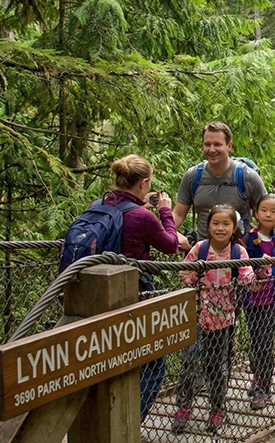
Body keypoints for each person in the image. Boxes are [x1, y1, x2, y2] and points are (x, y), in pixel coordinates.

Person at [101, 155, 185, 423]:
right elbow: (171, 244)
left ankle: (111, 423)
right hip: (133, 297)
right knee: (153, 365)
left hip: (100, 297)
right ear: (144, 183)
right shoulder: (141, 216)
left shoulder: (99, 206)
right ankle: (128, 425)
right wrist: (165, 211)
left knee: (110, 363)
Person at [172, 205, 255, 434]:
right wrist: (194, 275)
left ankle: (217, 409)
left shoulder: (238, 253)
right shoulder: (200, 249)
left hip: (223, 319)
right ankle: (184, 407)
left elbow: (247, 275)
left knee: (216, 367)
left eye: (226, 224)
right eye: (215, 223)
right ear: (208, 226)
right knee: (189, 362)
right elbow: (183, 274)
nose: (220, 228)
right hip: (197, 316)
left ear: (234, 228)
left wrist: (258, 276)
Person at [173, 122, 268, 245]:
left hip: (240, 256)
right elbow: (179, 214)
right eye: (207, 144)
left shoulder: (247, 177)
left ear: (229, 145)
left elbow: (265, 216)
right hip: (203, 255)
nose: (212, 150)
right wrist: (163, 234)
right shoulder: (193, 176)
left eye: (217, 144)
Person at [241, 194, 275, 410]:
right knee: (256, 342)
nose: (268, 214)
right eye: (264, 210)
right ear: (256, 213)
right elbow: (241, 267)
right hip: (251, 299)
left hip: (273, 299)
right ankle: (258, 377)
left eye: (273, 211)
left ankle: (264, 388)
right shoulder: (246, 240)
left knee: (265, 343)